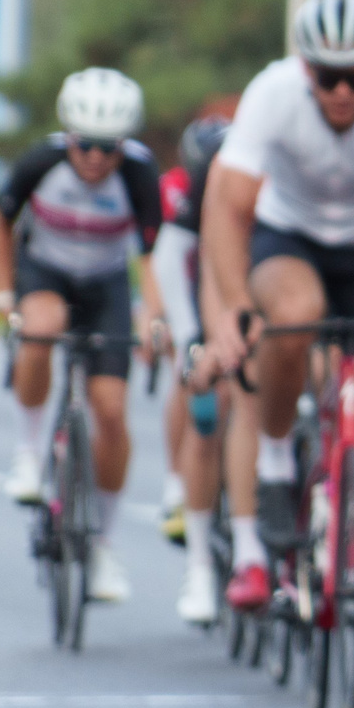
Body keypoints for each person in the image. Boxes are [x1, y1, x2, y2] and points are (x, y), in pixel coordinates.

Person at [199, 0, 354, 694]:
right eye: (326, 75)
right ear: (304, 69)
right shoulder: (273, 92)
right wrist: (235, 305)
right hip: (290, 238)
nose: (341, 90)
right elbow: (228, 204)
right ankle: (276, 457)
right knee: (296, 311)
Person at [0, 68, 168, 604]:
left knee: (111, 411)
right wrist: (2, 290)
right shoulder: (42, 163)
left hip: (105, 283)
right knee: (42, 328)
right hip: (46, 270)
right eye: (84, 145)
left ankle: (104, 543)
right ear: (68, 136)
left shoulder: (137, 174)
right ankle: (26, 450)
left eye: (107, 148)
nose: (94, 158)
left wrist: (153, 315)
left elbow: (152, 255)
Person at [149, 112, 233, 622]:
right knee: (196, 384)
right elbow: (162, 264)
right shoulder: (177, 193)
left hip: (241, 289)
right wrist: (182, 338)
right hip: (192, 289)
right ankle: (178, 486)